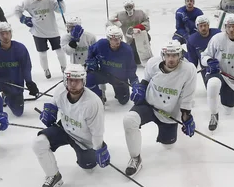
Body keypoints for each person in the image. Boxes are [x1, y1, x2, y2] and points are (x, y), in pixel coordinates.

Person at [122, 40, 197, 177]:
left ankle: (167, 136)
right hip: (148, 105)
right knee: (129, 120)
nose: (171, 59)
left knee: (168, 146)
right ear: (163, 55)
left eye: (174, 55)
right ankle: (135, 158)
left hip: (169, 113)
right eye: (168, 55)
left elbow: (187, 97)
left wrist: (186, 116)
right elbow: (146, 80)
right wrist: (140, 88)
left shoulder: (188, 70)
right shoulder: (153, 63)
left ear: (180, 56)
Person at [33, 64, 109, 187]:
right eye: (70, 80)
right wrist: (49, 110)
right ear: (65, 80)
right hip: (64, 128)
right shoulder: (60, 90)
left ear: (83, 81)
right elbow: (54, 101)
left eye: (77, 80)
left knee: (88, 166)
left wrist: (99, 148)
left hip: (83, 139)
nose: (73, 84)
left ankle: (90, 155)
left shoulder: (93, 103)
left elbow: (97, 131)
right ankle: (54, 176)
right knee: (39, 143)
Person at [0, 21, 39, 117]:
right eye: (2, 34)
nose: (5, 36)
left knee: (18, 112)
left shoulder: (20, 48)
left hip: (15, 82)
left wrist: (29, 82)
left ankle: (6, 97)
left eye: (7, 33)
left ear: (11, 33)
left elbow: (26, 67)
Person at [15, 0, 67, 79]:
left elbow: (61, 11)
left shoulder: (50, 0)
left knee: (60, 51)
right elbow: (17, 10)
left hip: (53, 31)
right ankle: (46, 70)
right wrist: (23, 19)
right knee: (42, 54)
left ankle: (64, 67)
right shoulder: (27, 2)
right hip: (38, 32)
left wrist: (61, 0)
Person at [85, 26, 138, 106]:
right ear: (108, 39)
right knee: (88, 79)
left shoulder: (127, 50)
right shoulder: (101, 45)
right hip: (104, 73)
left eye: (118, 38)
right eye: (113, 39)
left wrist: (135, 83)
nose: (116, 42)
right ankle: (98, 97)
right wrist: (91, 62)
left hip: (119, 78)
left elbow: (131, 68)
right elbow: (91, 50)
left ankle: (120, 92)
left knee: (123, 101)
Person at [109, 0, 151, 65]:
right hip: (130, 40)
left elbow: (147, 22)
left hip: (142, 36)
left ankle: (147, 57)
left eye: (130, 6)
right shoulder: (121, 15)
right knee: (136, 60)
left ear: (133, 6)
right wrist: (115, 22)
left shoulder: (140, 13)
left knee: (144, 48)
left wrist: (141, 26)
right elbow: (111, 22)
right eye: (127, 7)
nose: (129, 9)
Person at [185, 15, 220, 82]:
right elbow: (193, 59)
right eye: (200, 26)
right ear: (197, 27)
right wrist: (190, 72)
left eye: (205, 25)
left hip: (221, 67)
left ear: (208, 25)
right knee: (211, 89)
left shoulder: (218, 34)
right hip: (205, 68)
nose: (203, 28)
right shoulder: (192, 40)